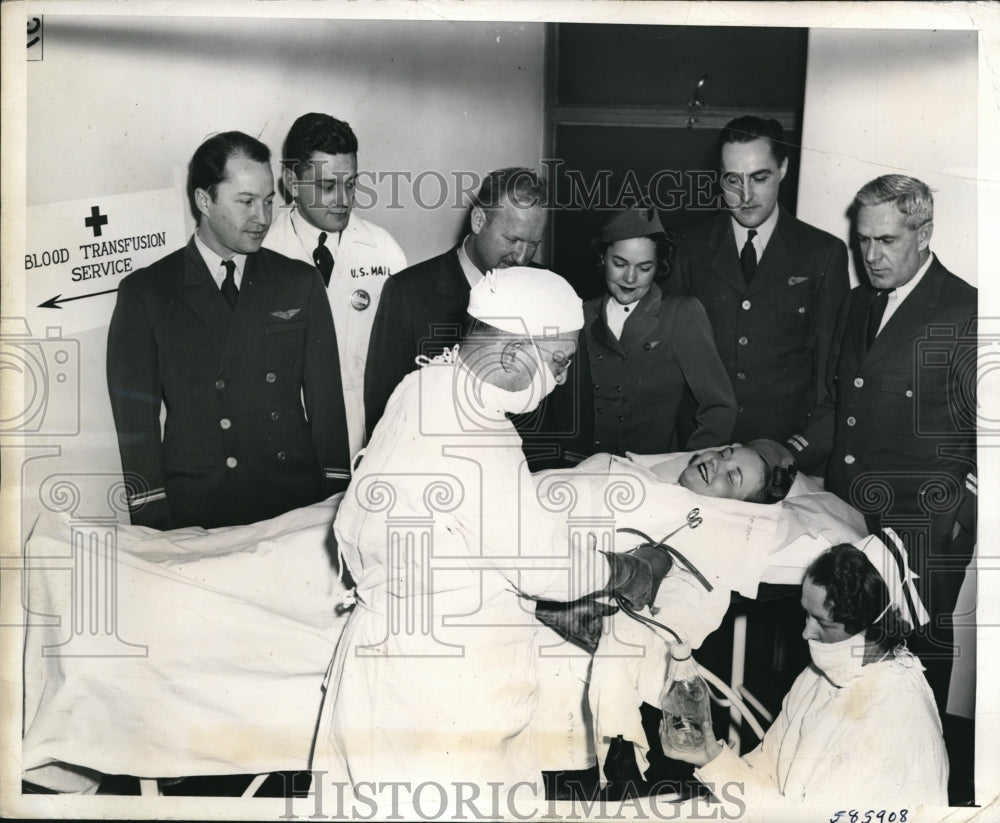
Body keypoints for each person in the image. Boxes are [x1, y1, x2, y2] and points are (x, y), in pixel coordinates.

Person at [312, 267, 675, 815]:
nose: (559, 379)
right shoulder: (479, 437)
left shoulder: (424, 385)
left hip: (388, 659)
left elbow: (454, 540)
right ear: (512, 354)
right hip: (440, 684)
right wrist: (628, 569)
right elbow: (546, 568)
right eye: (557, 362)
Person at [784, 175, 977, 715]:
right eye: (862, 239)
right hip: (847, 514)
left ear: (924, 233)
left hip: (922, 531)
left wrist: (959, 520)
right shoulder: (855, 304)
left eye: (885, 241)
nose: (869, 255)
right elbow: (836, 405)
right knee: (840, 661)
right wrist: (781, 459)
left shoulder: (968, 312)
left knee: (909, 670)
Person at [106, 131, 351, 530]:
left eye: (268, 201)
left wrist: (334, 500)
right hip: (201, 508)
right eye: (246, 202)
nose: (262, 217)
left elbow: (327, 406)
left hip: (293, 502)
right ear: (205, 201)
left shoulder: (299, 282)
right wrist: (153, 518)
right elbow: (136, 424)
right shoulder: (147, 292)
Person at [664, 539, 948, 808]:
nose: (806, 632)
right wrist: (710, 757)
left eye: (822, 622)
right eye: (806, 613)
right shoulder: (821, 674)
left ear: (871, 628)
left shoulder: (890, 725)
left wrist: (717, 767)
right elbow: (768, 773)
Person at [666, 116, 850, 444]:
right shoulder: (686, 248)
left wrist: (807, 455)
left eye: (759, 177)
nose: (745, 195)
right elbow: (667, 361)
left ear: (783, 169)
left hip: (781, 451)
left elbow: (828, 371)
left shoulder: (823, 253)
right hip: (700, 447)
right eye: (732, 180)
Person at [363, 167, 548, 439]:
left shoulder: (547, 288)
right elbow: (385, 410)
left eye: (533, 244)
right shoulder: (407, 292)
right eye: (512, 239)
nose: (522, 257)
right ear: (478, 220)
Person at [263, 113, 407, 457]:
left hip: (369, 434)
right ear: (292, 181)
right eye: (327, 186)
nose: (343, 198)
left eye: (351, 184)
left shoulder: (383, 248)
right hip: (287, 436)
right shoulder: (265, 251)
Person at [580, 205, 736, 455]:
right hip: (587, 470)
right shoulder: (582, 315)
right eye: (620, 263)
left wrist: (687, 468)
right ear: (602, 257)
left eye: (644, 268)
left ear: (657, 267)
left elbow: (718, 407)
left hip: (652, 475)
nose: (630, 278)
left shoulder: (680, 314)